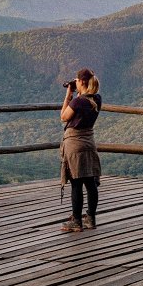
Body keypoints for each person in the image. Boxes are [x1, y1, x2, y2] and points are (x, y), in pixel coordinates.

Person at [59, 68, 102, 232]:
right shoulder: (97, 99)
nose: (74, 82)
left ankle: (76, 221)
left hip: (74, 145)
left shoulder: (77, 102)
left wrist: (68, 95)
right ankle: (91, 218)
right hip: (89, 143)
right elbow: (84, 107)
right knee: (90, 183)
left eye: (76, 80)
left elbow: (63, 117)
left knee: (76, 182)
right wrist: (78, 92)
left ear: (81, 82)